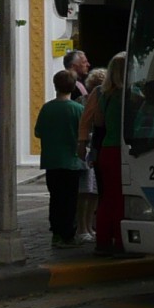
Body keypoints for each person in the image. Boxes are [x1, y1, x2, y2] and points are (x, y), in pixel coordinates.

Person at [79, 52, 127, 256]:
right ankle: (120, 241)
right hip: (123, 151)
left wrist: (82, 144)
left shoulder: (99, 93)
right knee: (121, 198)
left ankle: (104, 239)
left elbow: (87, 121)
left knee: (106, 197)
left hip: (104, 150)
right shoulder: (130, 94)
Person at [35, 70, 85, 249]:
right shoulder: (78, 109)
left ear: (55, 85)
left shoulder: (47, 108)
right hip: (72, 161)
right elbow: (85, 133)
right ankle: (68, 235)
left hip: (51, 160)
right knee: (70, 200)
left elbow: (38, 132)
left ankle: (56, 233)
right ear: (73, 86)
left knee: (55, 198)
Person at [75, 67, 106, 243]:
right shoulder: (83, 101)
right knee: (85, 191)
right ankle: (82, 227)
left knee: (93, 191)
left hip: (93, 147)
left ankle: (89, 226)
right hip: (88, 147)